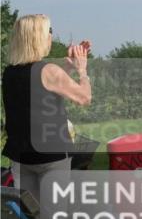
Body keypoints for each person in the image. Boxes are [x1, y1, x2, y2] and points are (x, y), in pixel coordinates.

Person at [1, 15, 92, 205]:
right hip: (51, 157)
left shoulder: (9, 73)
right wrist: (82, 69)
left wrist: (68, 65)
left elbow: (43, 89)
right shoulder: (48, 71)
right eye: (49, 31)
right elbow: (84, 98)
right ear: (39, 37)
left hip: (21, 156)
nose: (51, 36)